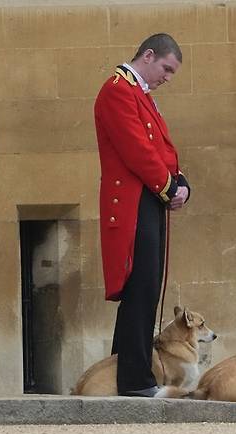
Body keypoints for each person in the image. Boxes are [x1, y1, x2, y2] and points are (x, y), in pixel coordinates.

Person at [94, 33, 190, 397]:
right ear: (148, 56)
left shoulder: (140, 94)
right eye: (165, 68)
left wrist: (181, 184)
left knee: (145, 288)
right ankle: (134, 379)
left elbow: (161, 149)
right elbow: (137, 151)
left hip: (148, 196)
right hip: (134, 201)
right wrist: (168, 188)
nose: (167, 77)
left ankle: (123, 372)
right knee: (141, 288)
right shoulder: (118, 90)